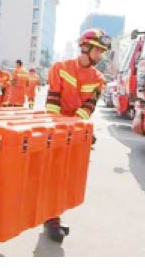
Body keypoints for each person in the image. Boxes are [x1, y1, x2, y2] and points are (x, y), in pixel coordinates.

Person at [43, 28, 111, 243]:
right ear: (85, 47)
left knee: (66, 179)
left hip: (75, 134)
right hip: (56, 131)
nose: (99, 56)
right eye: (97, 51)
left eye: (101, 52)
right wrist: (57, 131)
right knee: (52, 177)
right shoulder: (60, 68)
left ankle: (53, 216)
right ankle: (51, 218)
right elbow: (52, 103)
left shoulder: (98, 79)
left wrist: (80, 131)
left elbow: (87, 109)